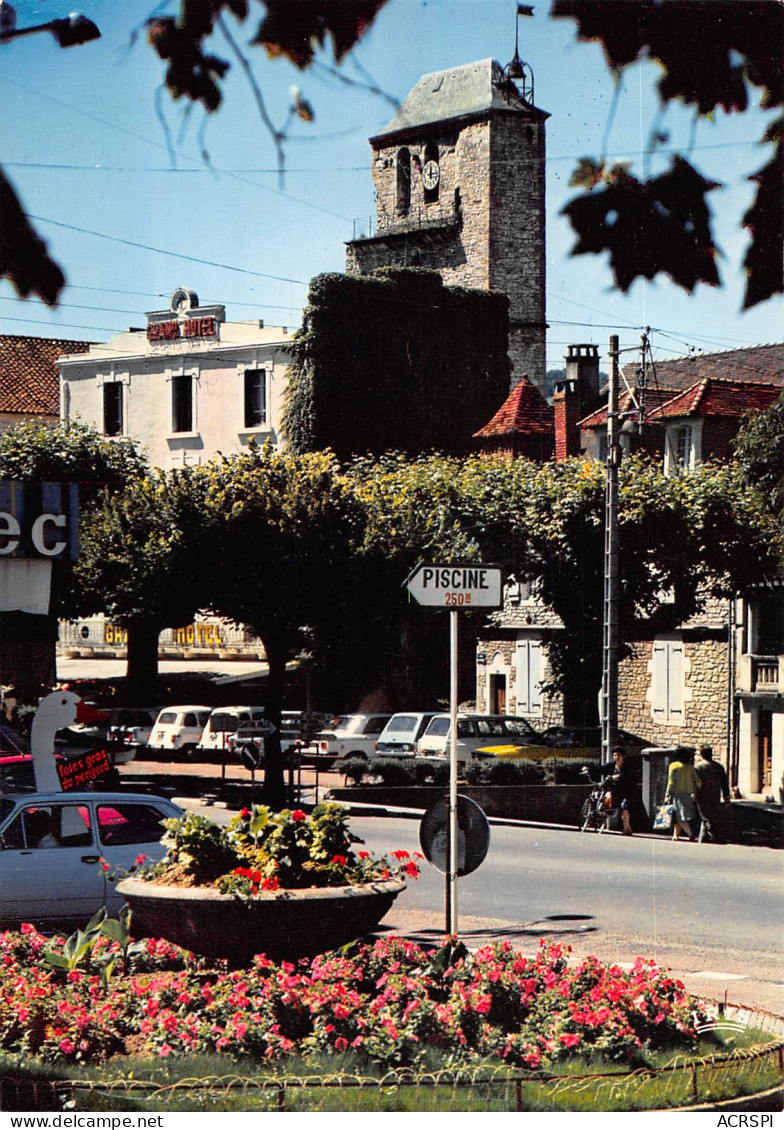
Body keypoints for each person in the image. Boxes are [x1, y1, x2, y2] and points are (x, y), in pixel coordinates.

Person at [588, 746, 634, 835]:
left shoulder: (627, 767)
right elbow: (600, 769)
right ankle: (594, 818)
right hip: (613, 791)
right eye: (615, 755)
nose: (617, 757)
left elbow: (631, 778)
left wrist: (620, 777)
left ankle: (626, 826)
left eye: (619, 755)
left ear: (623, 757)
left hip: (625, 791)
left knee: (625, 806)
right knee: (600, 797)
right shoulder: (611, 765)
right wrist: (588, 769)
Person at [694, 745, 731, 843]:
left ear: (701, 755)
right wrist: (726, 797)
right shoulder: (719, 767)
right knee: (709, 817)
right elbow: (725, 783)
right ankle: (704, 839)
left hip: (701, 796)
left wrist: (694, 793)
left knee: (705, 817)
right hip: (715, 795)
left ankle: (712, 837)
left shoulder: (698, 767)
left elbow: (695, 783)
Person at [665, 749, 700, 841]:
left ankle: (690, 834)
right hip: (689, 795)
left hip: (677, 794)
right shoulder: (690, 767)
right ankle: (675, 835)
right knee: (678, 815)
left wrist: (667, 794)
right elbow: (698, 782)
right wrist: (695, 792)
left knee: (680, 817)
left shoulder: (673, 766)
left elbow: (671, 782)